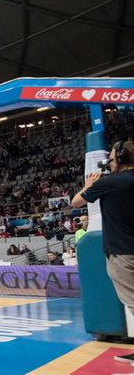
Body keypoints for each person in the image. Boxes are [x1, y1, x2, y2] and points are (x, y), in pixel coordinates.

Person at [72, 140, 134, 365]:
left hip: (123, 252)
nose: (109, 163)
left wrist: (89, 184)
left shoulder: (109, 182)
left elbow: (76, 201)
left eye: (112, 158)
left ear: (121, 158)